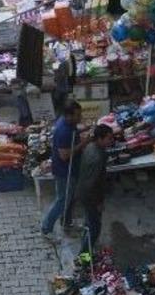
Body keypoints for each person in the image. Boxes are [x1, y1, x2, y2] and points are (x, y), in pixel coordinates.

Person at [41, 100, 89, 241]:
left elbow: (74, 131)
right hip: (64, 171)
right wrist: (83, 143)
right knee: (62, 200)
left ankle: (66, 222)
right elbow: (64, 155)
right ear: (68, 116)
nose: (80, 118)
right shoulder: (64, 131)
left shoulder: (67, 123)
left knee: (69, 198)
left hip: (71, 168)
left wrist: (84, 129)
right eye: (77, 115)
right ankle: (46, 228)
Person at [75, 125, 115, 254]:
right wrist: (98, 202)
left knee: (89, 225)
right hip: (89, 197)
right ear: (99, 138)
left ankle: (85, 251)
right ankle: (84, 258)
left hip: (83, 192)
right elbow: (93, 183)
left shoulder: (90, 147)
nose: (111, 141)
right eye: (108, 138)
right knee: (95, 228)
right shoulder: (98, 157)